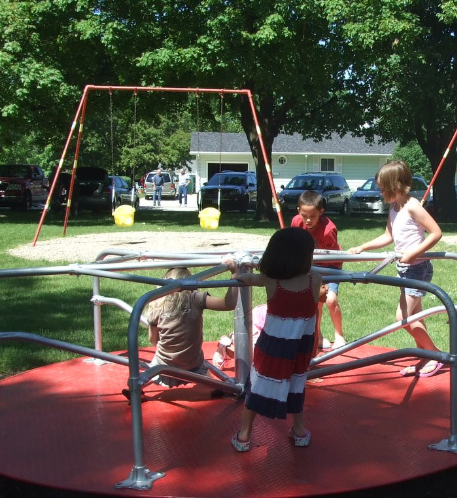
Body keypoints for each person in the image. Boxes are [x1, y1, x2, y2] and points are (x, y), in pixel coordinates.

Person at [348, 160, 443, 377]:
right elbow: (388, 236)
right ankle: (425, 357)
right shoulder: (394, 207)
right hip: (404, 269)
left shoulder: (412, 206)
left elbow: (436, 232)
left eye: (383, 188)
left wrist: (414, 253)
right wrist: (363, 246)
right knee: (414, 318)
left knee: (403, 318)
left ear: (396, 185)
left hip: (417, 269)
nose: (381, 192)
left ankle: (436, 355)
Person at [232, 227, 321, 451]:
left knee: (257, 387)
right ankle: (299, 431)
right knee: (296, 386)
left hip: (272, 348)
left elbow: (245, 278)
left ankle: (244, 435)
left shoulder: (271, 281)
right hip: (300, 349)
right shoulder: (315, 280)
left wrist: (235, 269)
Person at [123, 262, 239, 398]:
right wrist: (234, 273)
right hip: (192, 362)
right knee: (202, 368)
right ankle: (216, 386)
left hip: (165, 362)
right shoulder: (196, 299)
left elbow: (153, 340)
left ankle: (138, 388)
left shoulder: (156, 304)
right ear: (191, 282)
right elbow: (228, 303)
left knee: (153, 369)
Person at [291, 190, 346, 349]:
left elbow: (329, 256)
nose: (308, 220)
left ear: (321, 212)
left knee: (330, 300)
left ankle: (339, 334)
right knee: (315, 301)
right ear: (298, 211)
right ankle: (318, 335)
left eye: (312, 216)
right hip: (310, 264)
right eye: (304, 215)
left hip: (330, 265)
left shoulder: (328, 230)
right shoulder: (296, 221)